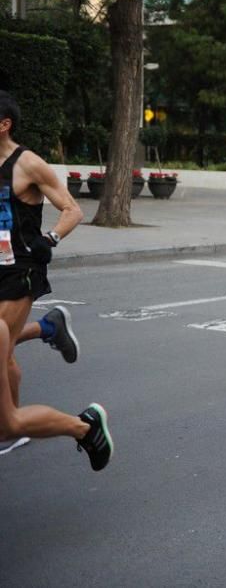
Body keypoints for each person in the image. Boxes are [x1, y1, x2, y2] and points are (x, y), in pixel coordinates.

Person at [0, 90, 112, 469]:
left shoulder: (27, 164)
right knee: (5, 346)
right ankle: (48, 328)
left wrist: (50, 239)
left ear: (4, 125)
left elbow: (72, 209)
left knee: (4, 344)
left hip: (21, 272)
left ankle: (17, 425)